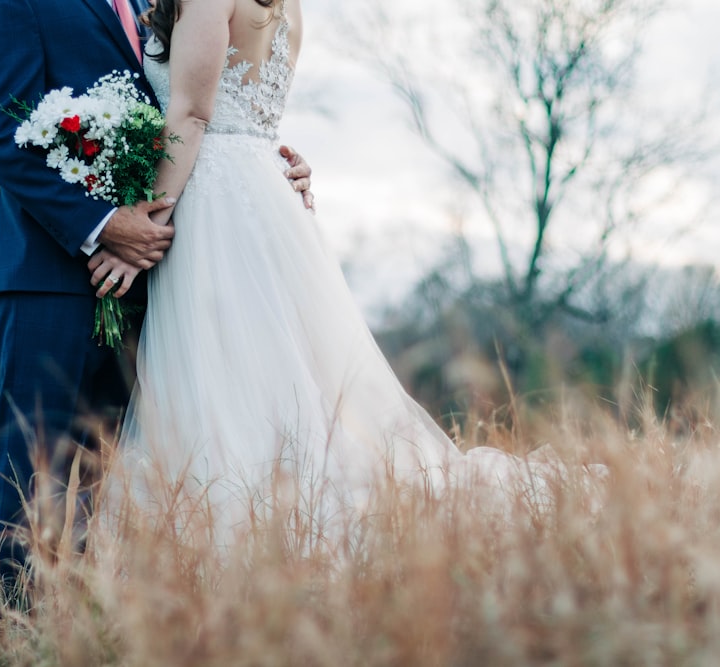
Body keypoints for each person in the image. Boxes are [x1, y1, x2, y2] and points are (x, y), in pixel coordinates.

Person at [92, 0, 595, 536]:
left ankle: (249, 521)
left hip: (213, 204)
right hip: (260, 193)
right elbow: (257, 114)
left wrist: (141, 229)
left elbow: (193, 113)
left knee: (230, 372)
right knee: (276, 375)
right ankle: (272, 514)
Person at [0, 0, 314, 612]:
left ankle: (94, 609)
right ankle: (13, 622)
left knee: (119, 463)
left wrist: (268, 171)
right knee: (36, 451)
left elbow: (202, 103)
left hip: (157, 266)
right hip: (50, 264)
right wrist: (101, 224)